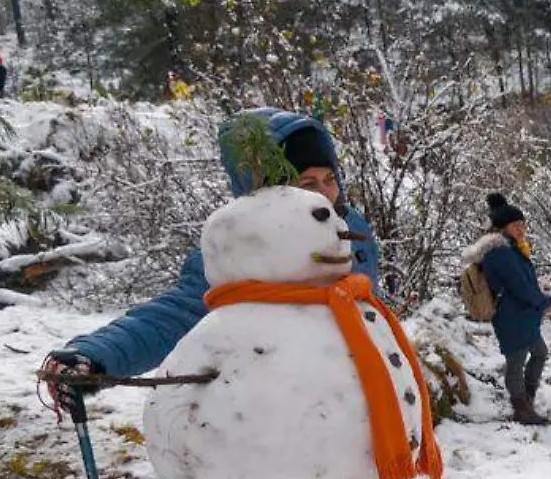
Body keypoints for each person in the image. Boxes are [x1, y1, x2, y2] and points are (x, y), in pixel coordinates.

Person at [44, 109, 381, 393]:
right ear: (270, 191)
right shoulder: (244, 246)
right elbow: (174, 315)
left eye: (329, 179)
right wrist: (97, 355)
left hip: (352, 401)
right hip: (280, 407)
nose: (325, 194)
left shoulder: (351, 228)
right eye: (307, 183)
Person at [464, 194, 551, 425]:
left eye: (523, 225)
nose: (521, 229)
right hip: (511, 315)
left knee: (539, 353)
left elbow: (524, 282)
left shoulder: (511, 248)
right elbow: (519, 286)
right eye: (516, 225)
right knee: (516, 360)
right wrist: (543, 301)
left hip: (522, 314)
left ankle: (527, 401)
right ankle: (521, 408)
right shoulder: (500, 253)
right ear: (504, 227)